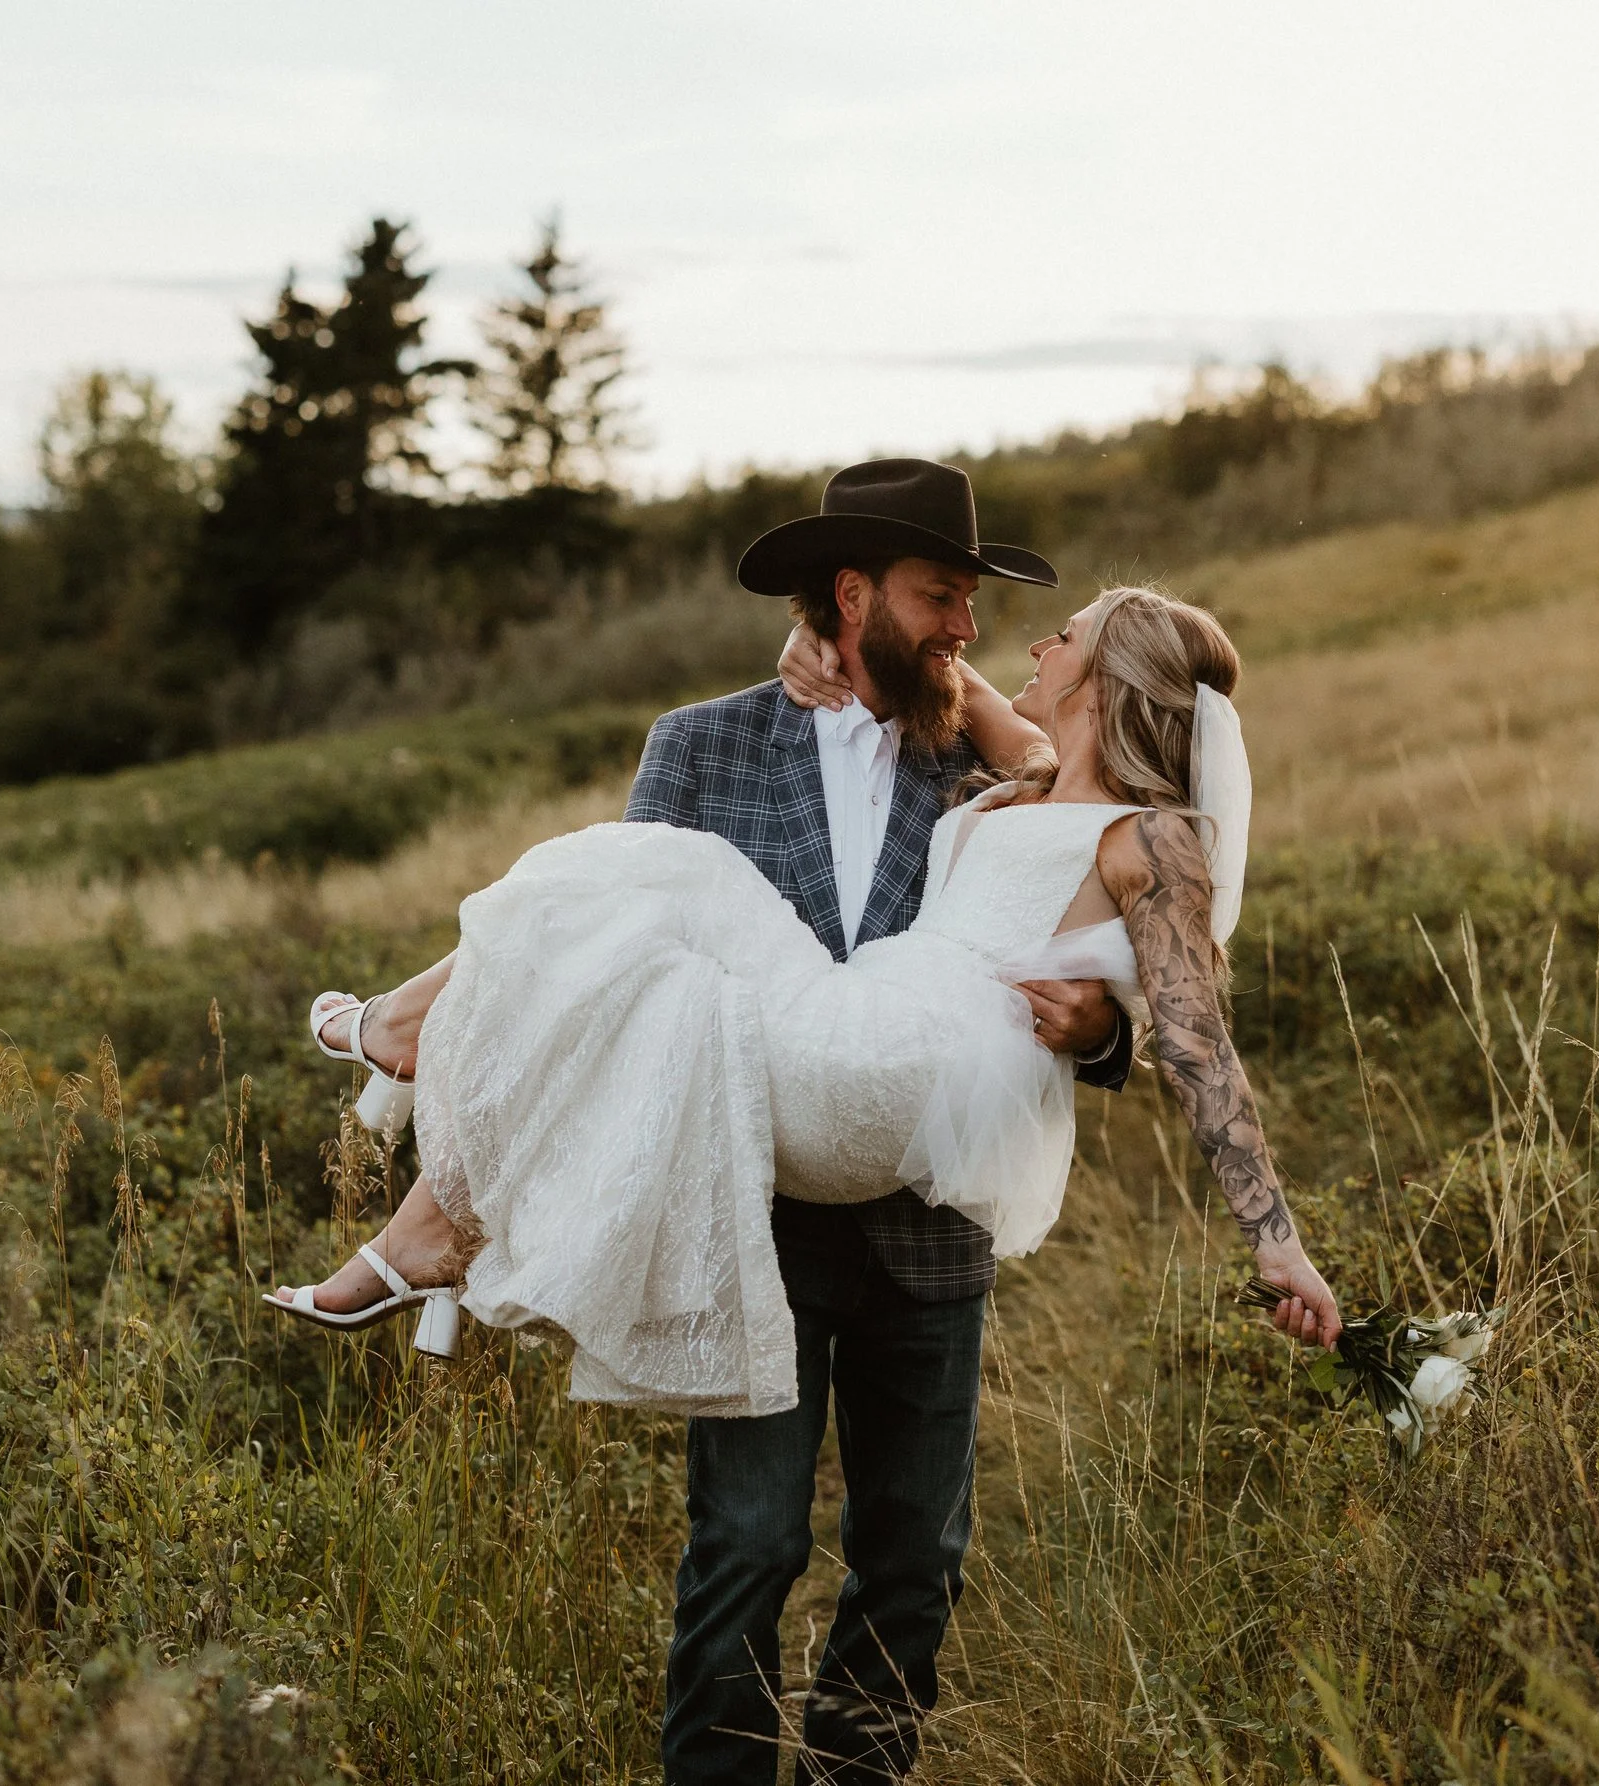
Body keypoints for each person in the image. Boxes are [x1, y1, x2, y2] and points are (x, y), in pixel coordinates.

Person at [267, 460, 1341, 1783]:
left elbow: (1184, 1026)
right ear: (853, 594)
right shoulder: (720, 744)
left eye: (999, 615)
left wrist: (1161, 1102)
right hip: (759, 1190)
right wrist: (832, 645)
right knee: (748, 1544)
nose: (980, 629)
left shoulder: (1004, 762)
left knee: (914, 1558)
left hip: (916, 1184)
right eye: (944, 595)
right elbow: (614, 990)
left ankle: (427, 1125)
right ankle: (438, 1159)